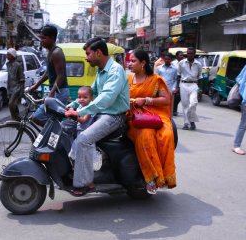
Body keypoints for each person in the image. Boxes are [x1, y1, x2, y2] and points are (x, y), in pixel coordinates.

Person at [65, 37, 129, 196]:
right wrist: (72, 105)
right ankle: (78, 169)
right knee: (67, 129)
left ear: (98, 53)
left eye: (88, 54)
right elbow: (90, 92)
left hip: (113, 117)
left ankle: (85, 183)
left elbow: (106, 99)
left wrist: (79, 112)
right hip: (101, 114)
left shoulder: (115, 70)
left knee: (83, 140)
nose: (86, 57)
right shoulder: (101, 71)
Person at [126, 49, 176, 194]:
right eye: (129, 60)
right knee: (146, 135)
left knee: (166, 135)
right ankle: (152, 178)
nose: (130, 63)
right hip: (134, 117)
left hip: (155, 115)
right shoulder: (128, 80)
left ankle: (167, 177)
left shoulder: (155, 79)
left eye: (133, 61)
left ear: (143, 63)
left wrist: (147, 100)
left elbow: (166, 99)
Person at [30, 25, 69, 126]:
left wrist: (51, 94)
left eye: (43, 38)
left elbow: (61, 76)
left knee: (36, 117)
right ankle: (53, 134)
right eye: (40, 37)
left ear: (52, 38)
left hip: (59, 92)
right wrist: (35, 86)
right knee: (48, 119)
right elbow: (48, 73)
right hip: (56, 91)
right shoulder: (50, 52)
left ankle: (59, 133)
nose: (41, 40)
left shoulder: (56, 52)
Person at [177, 47, 202, 130]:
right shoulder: (181, 63)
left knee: (193, 103)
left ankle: (192, 121)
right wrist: (177, 87)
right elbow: (178, 75)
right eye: (188, 53)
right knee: (185, 106)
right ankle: (187, 123)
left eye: (191, 53)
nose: (189, 55)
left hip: (194, 85)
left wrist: (200, 89)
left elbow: (200, 77)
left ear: (194, 54)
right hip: (183, 85)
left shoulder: (198, 64)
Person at [156, 53, 178, 117]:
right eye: (166, 59)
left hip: (170, 88)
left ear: (171, 60)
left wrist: (174, 88)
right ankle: (160, 115)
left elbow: (176, 79)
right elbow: (156, 78)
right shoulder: (159, 68)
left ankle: (168, 117)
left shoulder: (175, 69)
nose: (167, 60)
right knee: (160, 102)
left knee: (169, 104)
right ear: (164, 59)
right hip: (161, 88)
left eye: (168, 59)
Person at [6, 48, 25, 121]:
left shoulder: (18, 65)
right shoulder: (8, 64)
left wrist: (22, 91)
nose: (7, 56)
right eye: (7, 54)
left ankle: (16, 119)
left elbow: (22, 79)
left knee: (11, 104)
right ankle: (17, 120)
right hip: (10, 87)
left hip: (17, 88)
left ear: (13, 55)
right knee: (14, 105)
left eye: (9, 55)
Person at [171, 51, 184, 116]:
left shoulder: (185, 62)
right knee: (175, 96)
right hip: (175, 81)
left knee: (178, 97)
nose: (182, 56)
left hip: (182, 81)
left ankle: (174, 109)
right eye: (180, 55)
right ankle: (173, 110)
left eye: (182, 55)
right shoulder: (173, 63)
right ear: (176, 56)